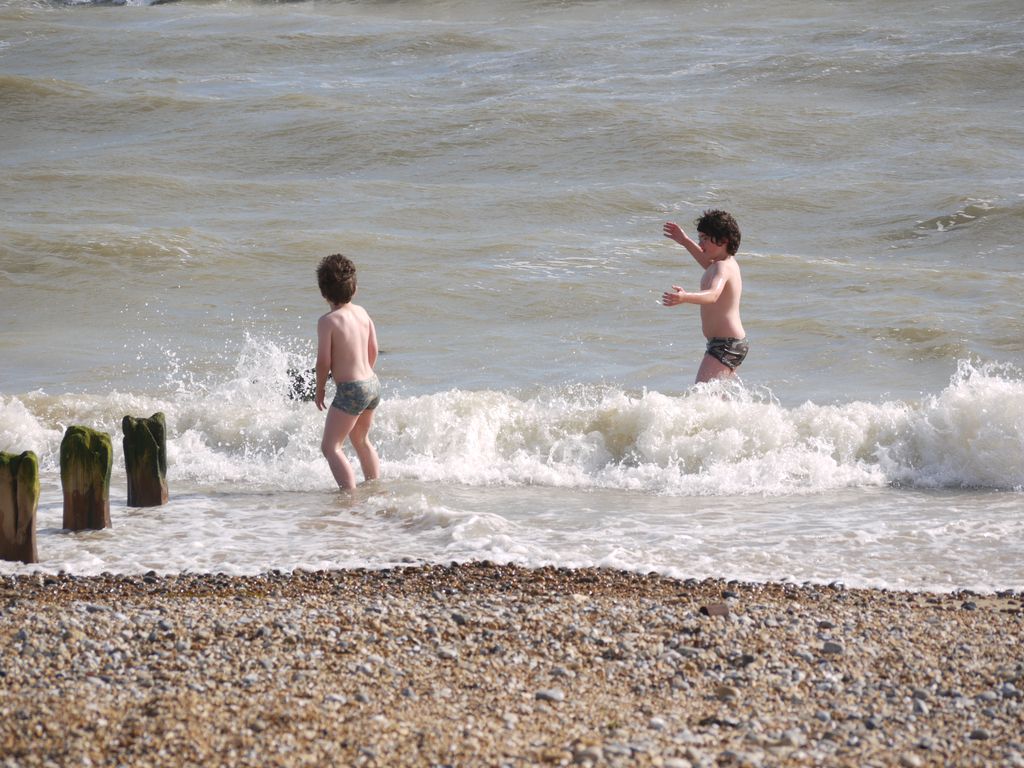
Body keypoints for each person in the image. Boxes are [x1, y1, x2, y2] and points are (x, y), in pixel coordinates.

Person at [314, 253, 381, 489]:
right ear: (355, 288)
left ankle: (349, 497)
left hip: (352, 388)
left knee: (330, 447)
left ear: (323, 292)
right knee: (361, 439)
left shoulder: (328, 321)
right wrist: (365, 377)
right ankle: (374, 486)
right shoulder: (362, 313)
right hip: (372, 384)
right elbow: (373, 349)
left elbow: (323, 361)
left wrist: (320, 387)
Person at [661, 209, 748, 383]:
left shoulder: (723, 268)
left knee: (701, 393)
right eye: (700, 238)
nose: (701, 243)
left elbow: (713, 295)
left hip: (726, 344)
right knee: (713, 397)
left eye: (705, 239)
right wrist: (685, 241)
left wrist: (685, 297)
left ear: (723, 240)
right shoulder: (721, 264)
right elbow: (706, 263)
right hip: (727, 343)